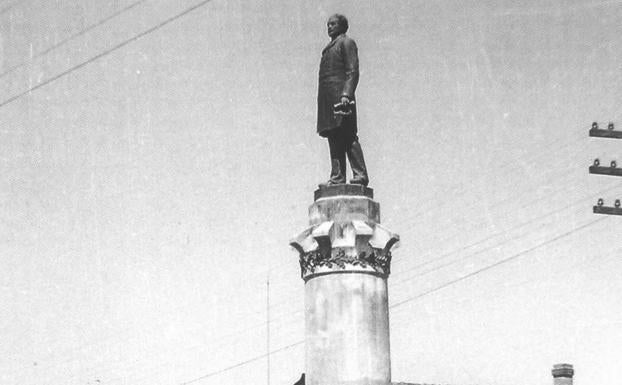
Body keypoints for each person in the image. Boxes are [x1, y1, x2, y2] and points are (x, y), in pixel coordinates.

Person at [317, 14, 369, 187]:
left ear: (342, 26)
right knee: (333, 136)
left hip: (342, 99)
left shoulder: (346, 43)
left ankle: (360, 175)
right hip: (328, 100)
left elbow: (352, 71)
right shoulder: (328, 48)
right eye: (328, 24)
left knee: (348, 136)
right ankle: (337, 177)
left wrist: (346, 94)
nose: (329, 27)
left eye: (333, 24)